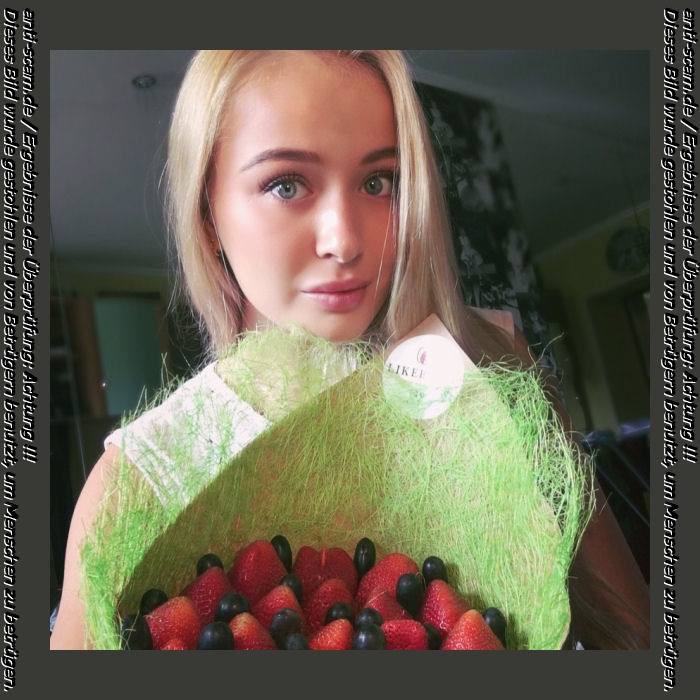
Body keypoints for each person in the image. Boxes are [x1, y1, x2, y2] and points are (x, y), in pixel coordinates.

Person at [50, 50, 648, 649]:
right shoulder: (136, 479)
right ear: (208, 211)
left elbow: (632, 636)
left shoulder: (493, 372)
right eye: (286, 184)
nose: (344, 240)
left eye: (377, 182)